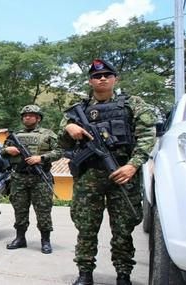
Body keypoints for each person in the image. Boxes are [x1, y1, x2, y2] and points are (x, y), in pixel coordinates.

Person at [58, 59, 156, 285]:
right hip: (89, 175)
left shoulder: (133, 103)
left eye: (107, 75)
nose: (102, 78)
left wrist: (133, 164)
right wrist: (68, 127)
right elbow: (62, 143)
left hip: (123, 172)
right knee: (86, 227)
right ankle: (85, 274)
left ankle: (123, 274)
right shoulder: (77, 109)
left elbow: (148, 136)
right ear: (90, 81)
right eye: (96, 76)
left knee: (123, 229)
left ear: (115, 79)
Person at [2, 104, 61, 254]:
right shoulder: (15, 135)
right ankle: (20, 238)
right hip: (19, 177)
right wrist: (7, 150)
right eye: (25, 115)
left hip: (40, 178)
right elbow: (2, 152)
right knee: (20, 210)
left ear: (38, 118)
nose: (27, 117)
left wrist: (41, 158)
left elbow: (60, 151)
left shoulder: (47, 134)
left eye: (31, 115)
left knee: (43, 211)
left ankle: (45, 241)